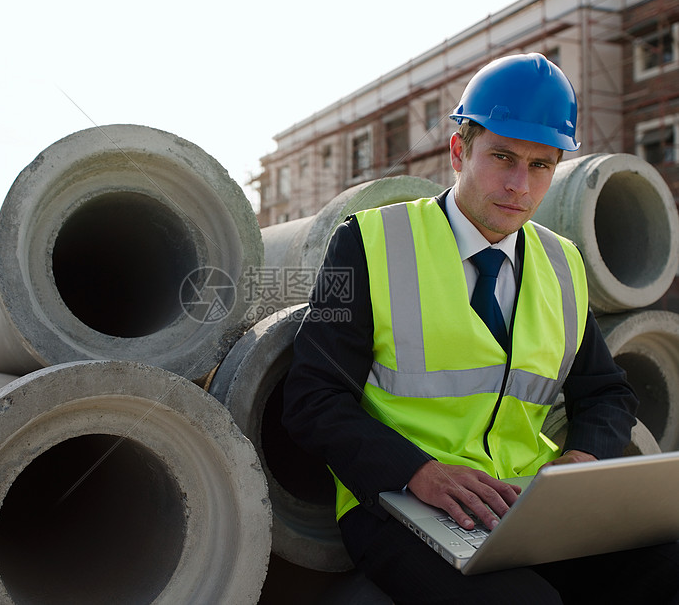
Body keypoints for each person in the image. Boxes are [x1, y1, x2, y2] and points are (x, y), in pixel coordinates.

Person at [282, 53, 679, 604]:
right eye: (502, 157)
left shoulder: (563, 266)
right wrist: (417, 471)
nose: (519, 184)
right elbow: (311, 396)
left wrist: (579, 461)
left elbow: (607, 392)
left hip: (524, 503)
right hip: (400, 502)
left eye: (540, 165)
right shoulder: (366, 243)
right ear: (458, 151)